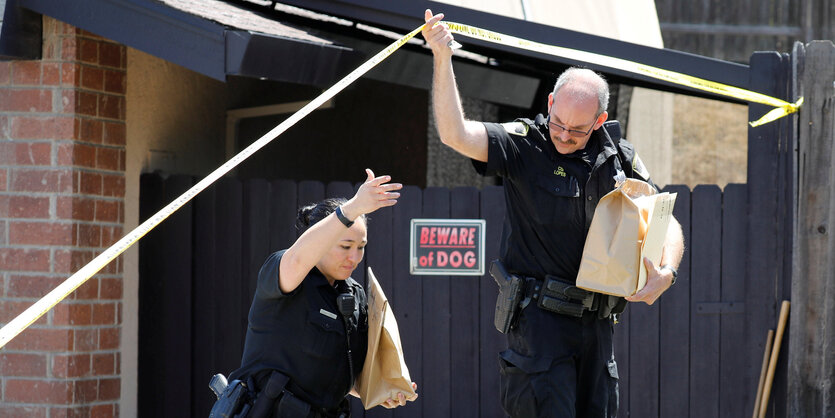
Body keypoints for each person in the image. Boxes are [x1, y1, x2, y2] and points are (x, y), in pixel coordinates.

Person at [421, 10, 685, 418]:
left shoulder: (618, 157)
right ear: (550, 103)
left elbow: (665, 219)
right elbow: (455, 134)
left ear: (599, 121)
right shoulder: (524, 144)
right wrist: (442, 58)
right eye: (558, 122)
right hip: (540, 328)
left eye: (577, 130)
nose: (563, 135)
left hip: (598, 327)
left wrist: (666, 272)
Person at [223, 169, 417, 418]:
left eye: (361, 247)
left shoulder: (355, 296)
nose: (354, 257)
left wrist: (385, 389)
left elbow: (349, 375)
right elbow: (298, 258)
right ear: (322, 239)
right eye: (345, 246)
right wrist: (352, 209)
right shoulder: (286, 271)